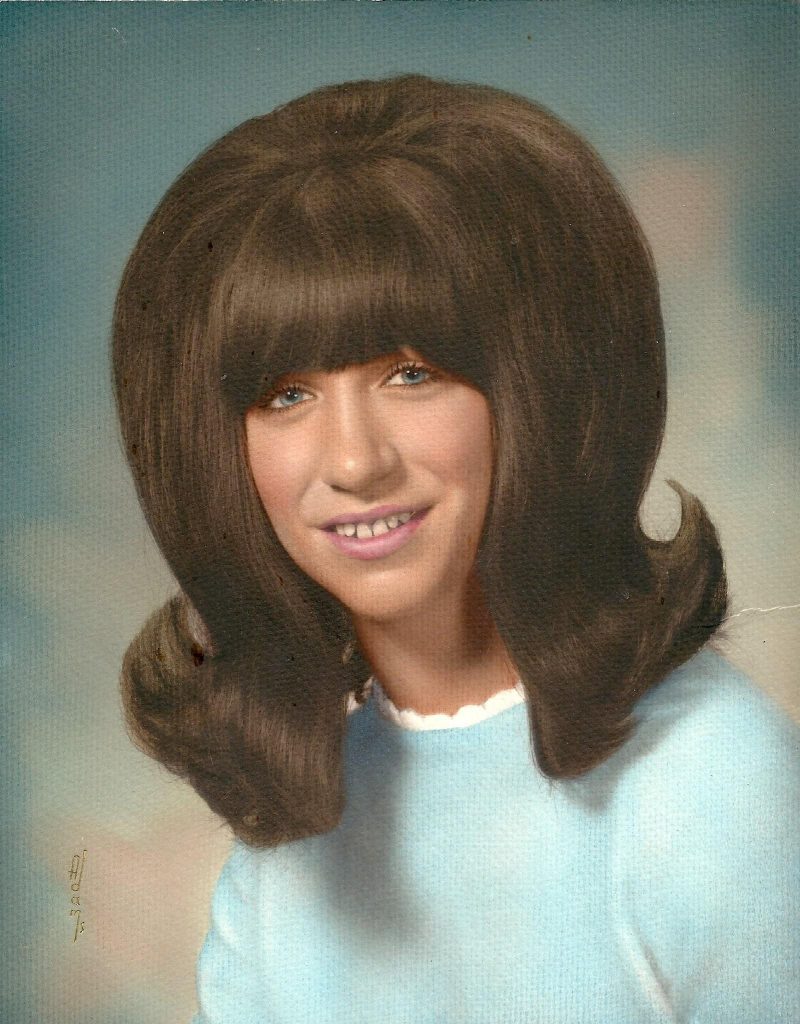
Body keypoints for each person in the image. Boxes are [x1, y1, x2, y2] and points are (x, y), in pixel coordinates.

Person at [112, 74, 799, 1023]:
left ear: (546, 389)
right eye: (286, 395)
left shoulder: (709, 775)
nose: (354, 462)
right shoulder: (288, 843)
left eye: (411, 373)